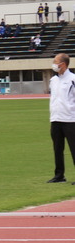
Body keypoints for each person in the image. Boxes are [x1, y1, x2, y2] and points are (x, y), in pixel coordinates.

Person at [47, 53, 75, 183]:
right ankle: (59, 175)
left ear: (63, 64)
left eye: (55, 61)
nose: (54, 64)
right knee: (57, 148)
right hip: (56, 119)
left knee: (74, 148)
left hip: (70, 119)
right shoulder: (53, 80)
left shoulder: (73, 79)